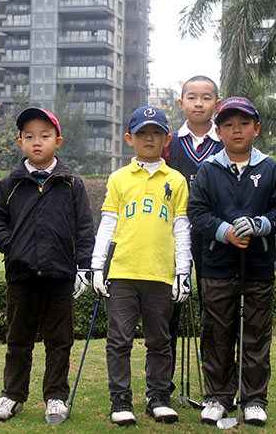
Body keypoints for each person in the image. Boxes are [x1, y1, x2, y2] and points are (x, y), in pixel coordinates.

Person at [188, 97, 276, 427]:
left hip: (258, 268)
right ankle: (218, 397)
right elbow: (197, 212)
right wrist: (225, 232)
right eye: (229, 125)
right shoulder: (208, 170)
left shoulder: (270, 168)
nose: (237, 130)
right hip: (217, 267)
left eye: (244, 124)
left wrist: (260, 224)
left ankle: (253, 400)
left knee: (256, 336)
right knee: (217, 334)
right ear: (218, 131)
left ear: (256, 129)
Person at [0, 107, 95, 424]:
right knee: (18, 341)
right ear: (20, 141)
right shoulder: (10, 184)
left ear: (57, 141)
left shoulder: (71, 184)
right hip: (21, 276)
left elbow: (84, 229)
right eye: (29, 136)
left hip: (60, 276)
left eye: (44, 136)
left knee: (59, 341)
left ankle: (56, 397)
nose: (37, 142)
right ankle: (12, 395)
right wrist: (13, 246)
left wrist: (84, 267)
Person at [91, 105, 193, 426]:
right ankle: (120, 398)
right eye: (142, 133)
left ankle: (158, 396)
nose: (149, 138)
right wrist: (96, 267)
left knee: (160, 341)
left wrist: (183, 272)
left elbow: (181, 228)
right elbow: (108, 223)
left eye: (156, 133)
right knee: (118, 341)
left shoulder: (176, 180)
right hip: (122, 272)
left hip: (160, 274)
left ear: (167, 139)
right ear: (129, 138)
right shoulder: (119, 178)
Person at [162, 75, 224, 395]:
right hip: (173, 237)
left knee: (213, 308)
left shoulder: (226, 142)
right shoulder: (168, 143)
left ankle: (215, 383)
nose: (199, 103)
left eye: (206, 97)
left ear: (217, 103)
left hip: (215, 236)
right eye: (192, 97)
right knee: (168, 309)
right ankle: (162, 384)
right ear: (181, 102)